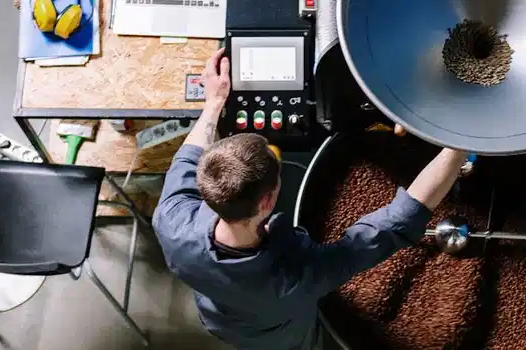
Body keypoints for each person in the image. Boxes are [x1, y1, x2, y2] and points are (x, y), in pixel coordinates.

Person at [152, 48, 469, 349]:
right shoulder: (298, 276)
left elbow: (187, 158)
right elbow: (391, 226)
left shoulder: (171, 222)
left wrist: (214, 101)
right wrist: (458, 145)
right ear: (267, 202)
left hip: (219, 319)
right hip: (280, 336)